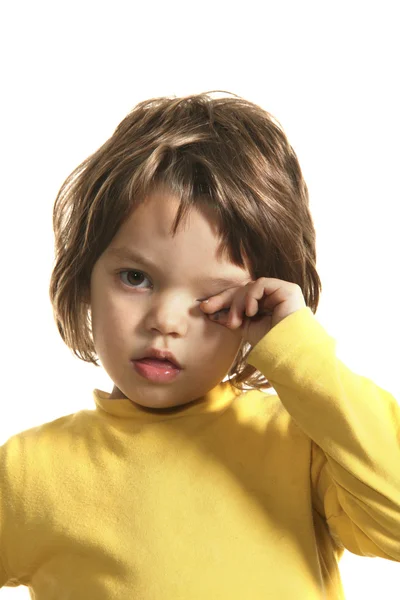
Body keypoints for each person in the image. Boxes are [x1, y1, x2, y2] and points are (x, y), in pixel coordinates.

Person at [1, 90, 399, 599]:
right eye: (135, 277)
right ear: (84, 280)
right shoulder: (30, 473)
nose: (165, 321)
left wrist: (299, 351)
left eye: (212, 297)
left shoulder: (302, 448)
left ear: (258, 305)